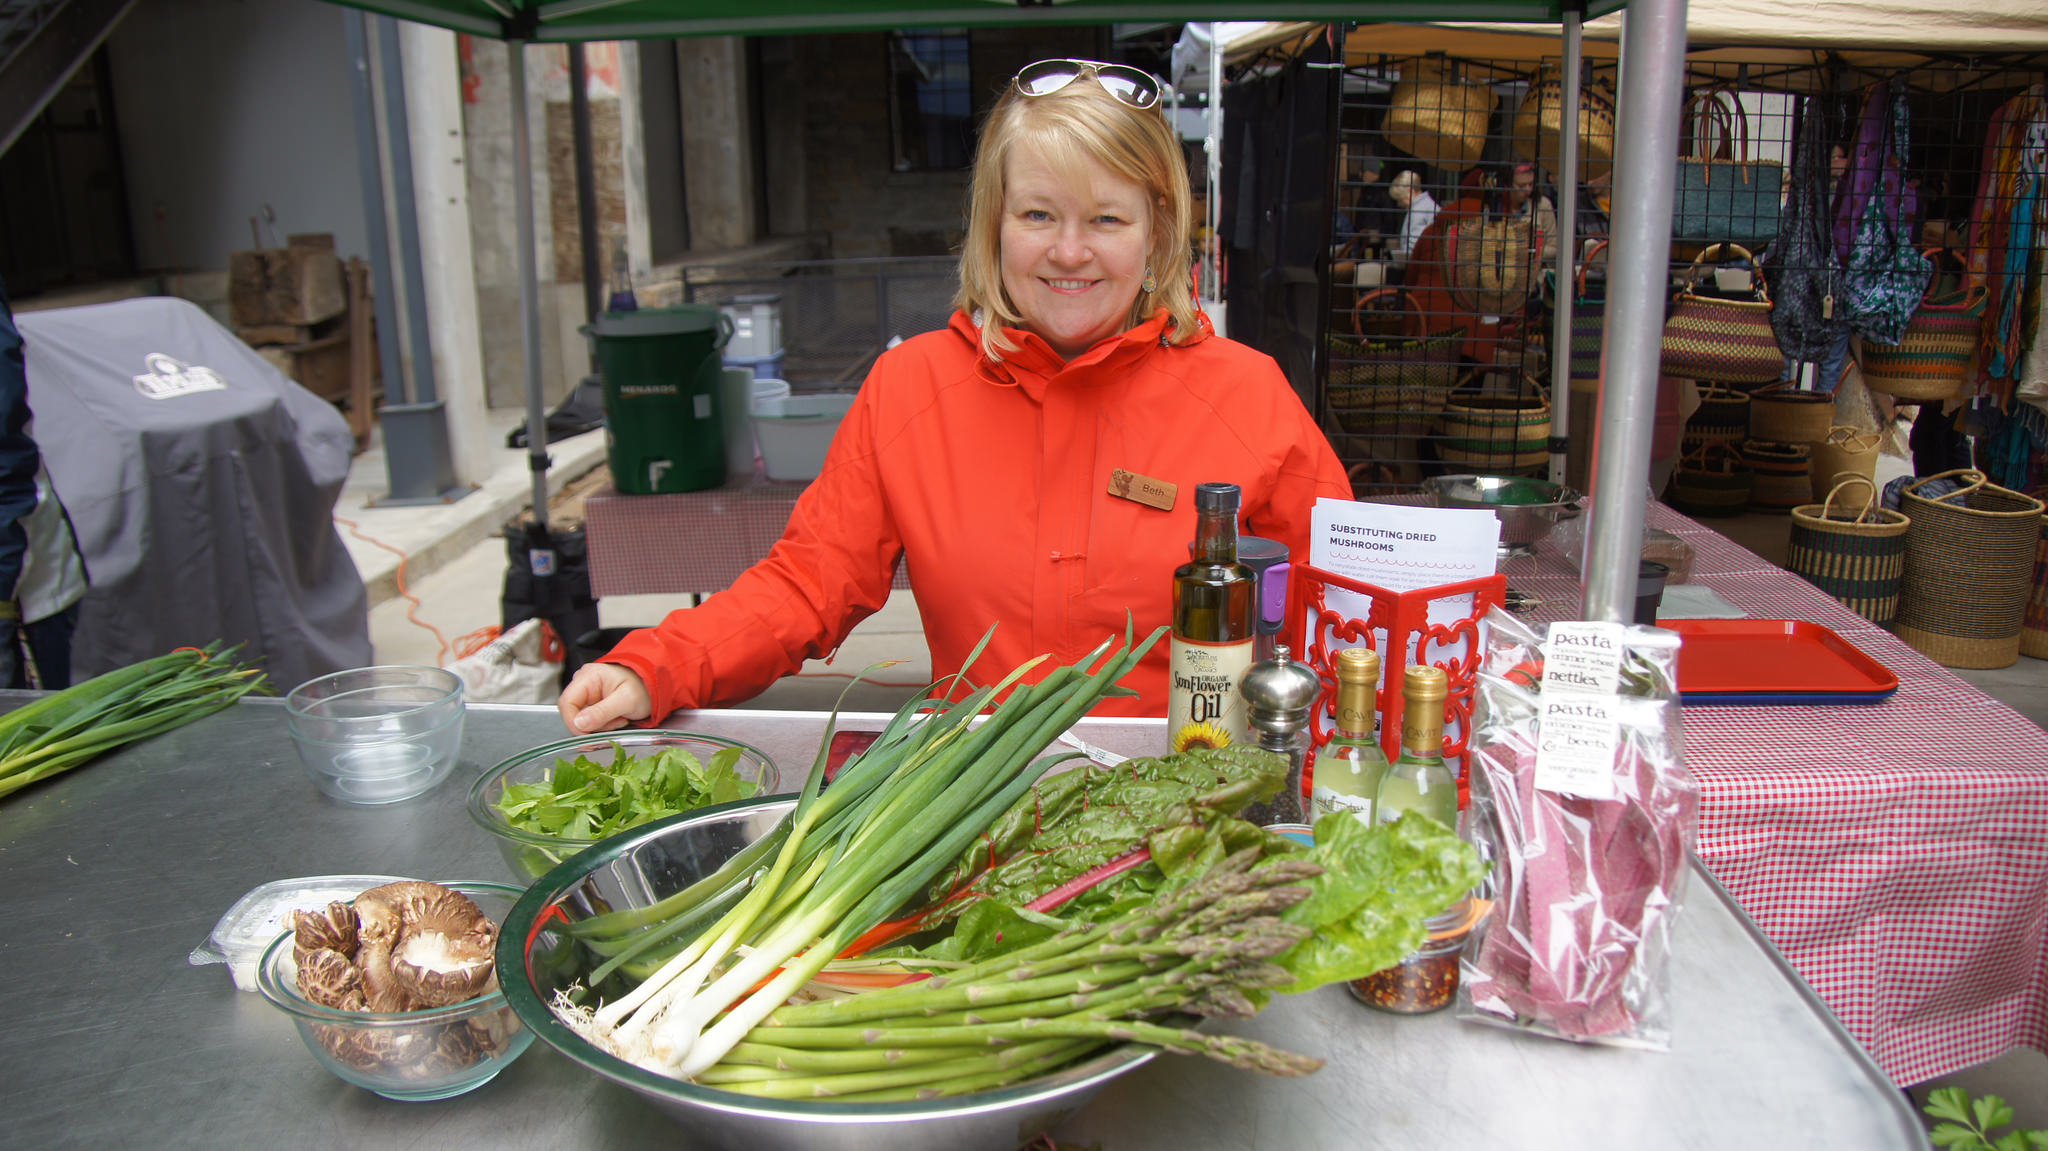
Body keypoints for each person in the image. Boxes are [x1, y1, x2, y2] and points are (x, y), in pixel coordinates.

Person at [559, 58, 1352, 733]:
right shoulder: (912, 388)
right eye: (1038, 213)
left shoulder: (1246, 395)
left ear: (1158, 231)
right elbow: (805, 584)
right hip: (970, 827)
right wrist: (658, 666)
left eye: (1107, 217)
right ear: (994, 224)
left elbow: (1341, 613)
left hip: (1184, 819)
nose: (1068, 251)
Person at [1503, 162, 1559, 263]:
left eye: (1531, 184)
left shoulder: (1543, 205)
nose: (1528, 190)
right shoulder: (1498, 207)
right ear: (1509, 185)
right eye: (1521, 186)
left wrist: (1531, 252)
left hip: (1535, 271)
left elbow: (1554, 247)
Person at [1386, 169, 1439, 274]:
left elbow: (1413, 249)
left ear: (1410, 191)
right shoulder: (1427, 206)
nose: (1399, 204)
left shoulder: (1419, 211)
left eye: (1401, 199)